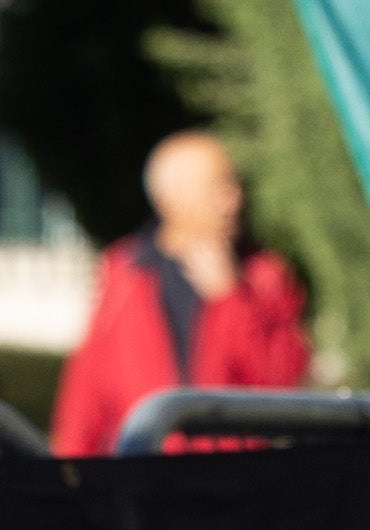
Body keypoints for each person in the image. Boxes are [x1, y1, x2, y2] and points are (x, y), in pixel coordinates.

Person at [49, 130, 310, 455]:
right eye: (217, 188)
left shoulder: (263, 275)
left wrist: (230, 298)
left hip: (236, 479)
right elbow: (89, 387)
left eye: (235, 185)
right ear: (169, 197)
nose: (233, 201)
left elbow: (281, 386)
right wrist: (71, 471)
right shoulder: (126, 271)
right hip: (144, 470)